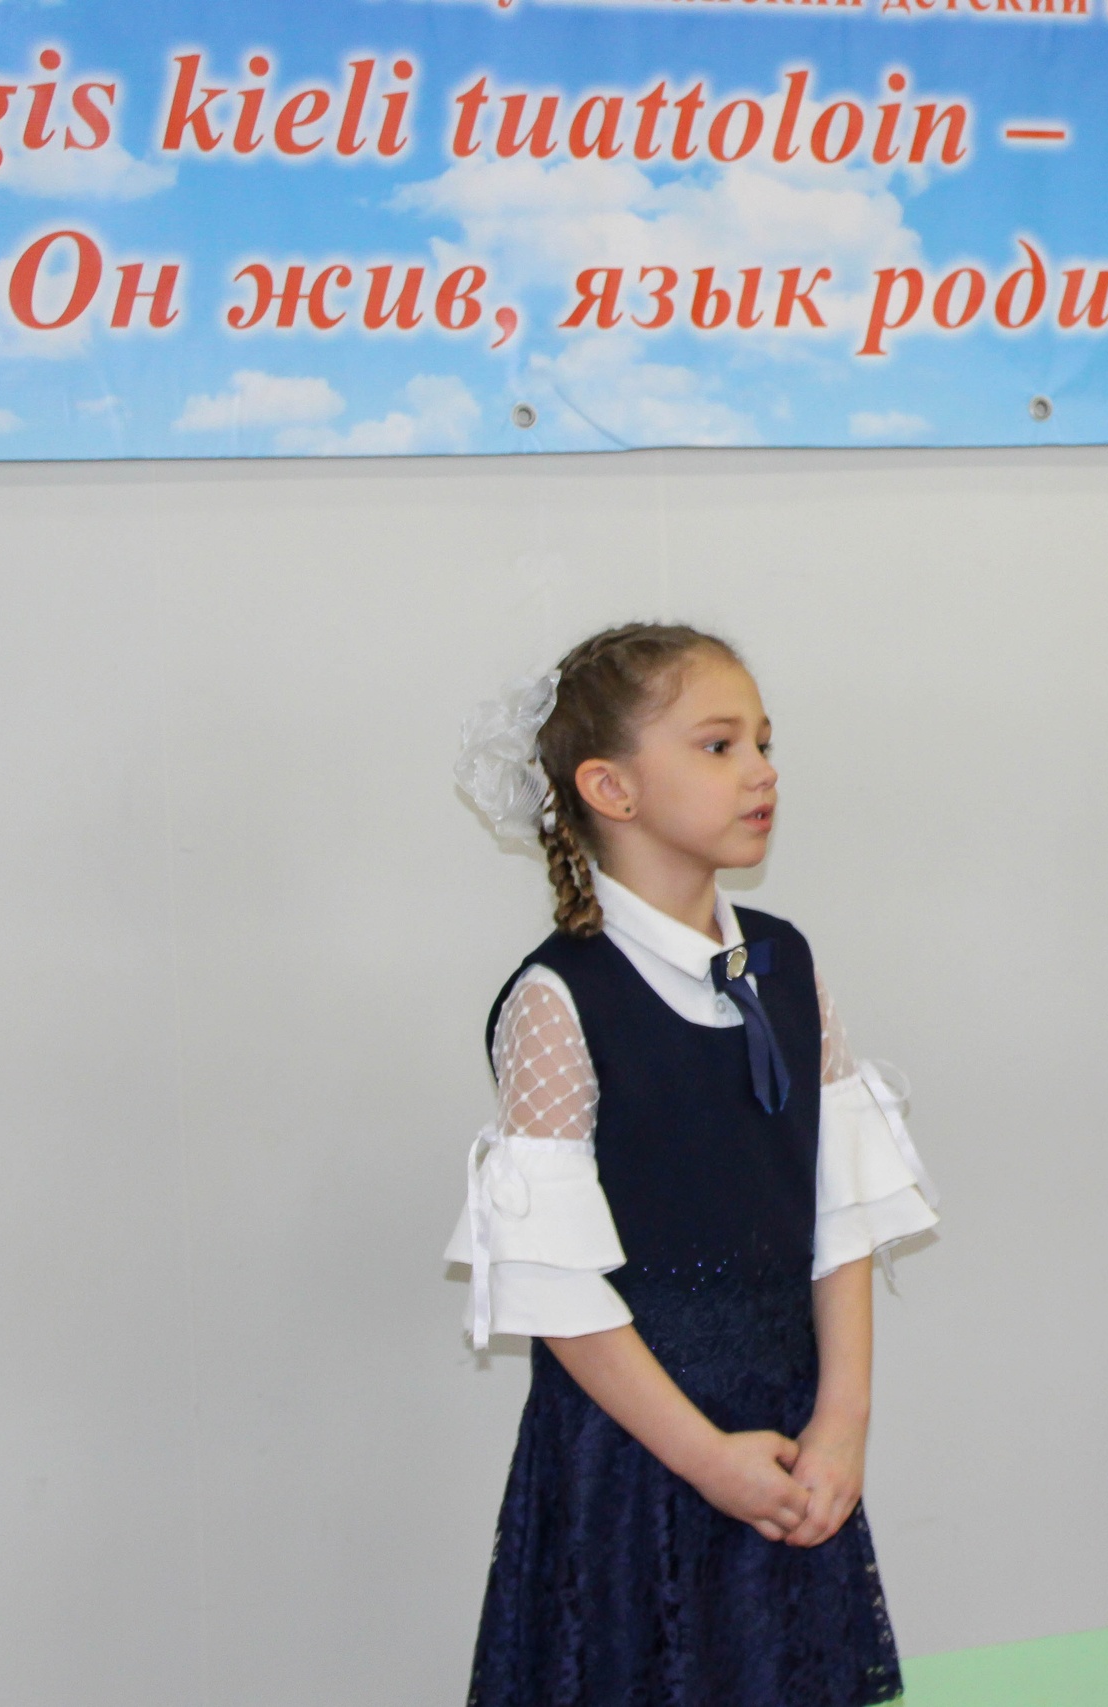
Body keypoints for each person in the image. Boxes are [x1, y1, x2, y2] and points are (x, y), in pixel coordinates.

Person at [446, 622, 938, 1707]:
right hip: (639, 1457)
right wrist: (706, 1458)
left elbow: (842, 1210)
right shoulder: (561, 999)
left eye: (764, 742)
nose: (761, 771)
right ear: (610, 788)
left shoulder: (785, 961)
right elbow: (559, 1291)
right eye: (719, 746)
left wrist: (842, 1420)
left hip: (789, 1444)